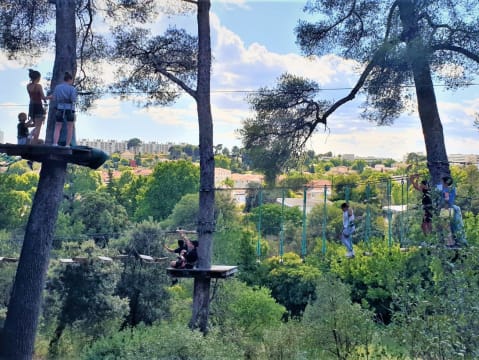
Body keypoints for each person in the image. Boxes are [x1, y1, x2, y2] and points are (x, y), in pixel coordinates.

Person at [441, 175, 467, 247]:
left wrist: (445, 208)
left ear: (445, 182)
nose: (442, 183)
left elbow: (446, 199)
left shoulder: (446, 190)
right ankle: (459, 241)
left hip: (447, 208)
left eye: (442, 182)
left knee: (447, 227)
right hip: (453, 207)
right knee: (455, 225)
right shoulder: (453, 189)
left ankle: (449, 243)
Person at [53, 72, 78, 147]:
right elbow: (73, 99)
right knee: (70, 127)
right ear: (70, 80)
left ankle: (55, 143)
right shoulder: (72, 88)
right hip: (69, 109)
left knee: (57, 126)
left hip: (60, 107)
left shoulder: (57, 87)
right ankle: (67, 144)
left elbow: (55, 97)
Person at [27, 69, 51, 144]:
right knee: (38, 127)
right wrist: (50, 97)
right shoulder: (38, 86)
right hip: (38, 106)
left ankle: (32, 140)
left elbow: (34, 96)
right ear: (38, 78)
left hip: (31, 106)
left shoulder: (28, 86)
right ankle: (33, 143)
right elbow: (43, 97)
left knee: (36, 125)